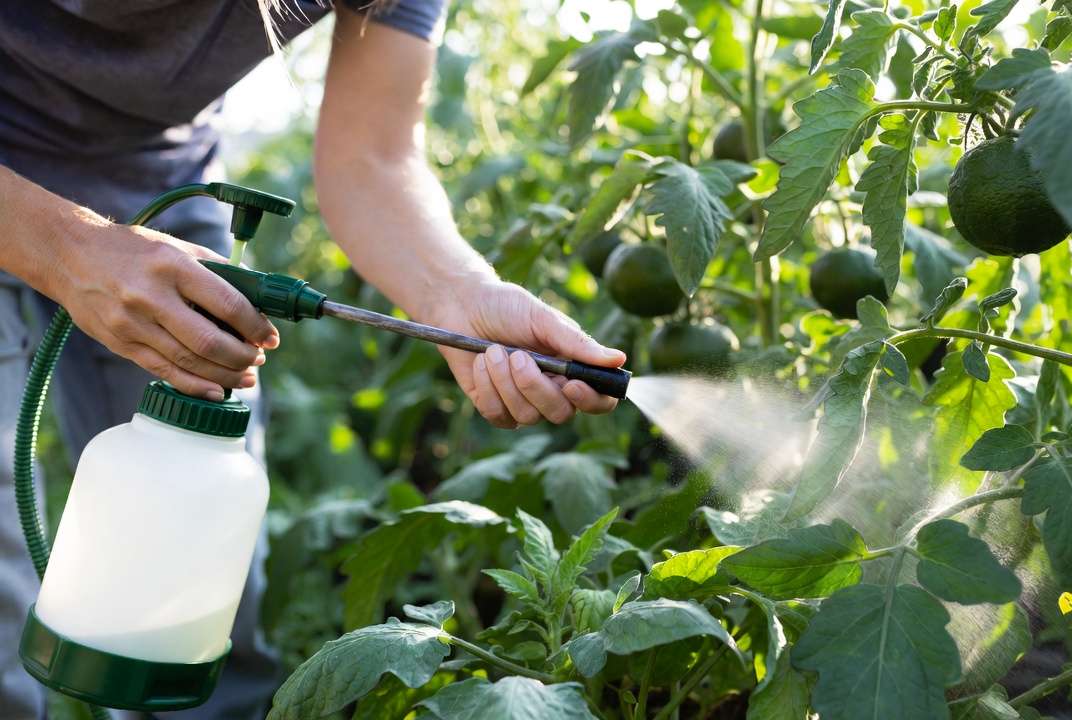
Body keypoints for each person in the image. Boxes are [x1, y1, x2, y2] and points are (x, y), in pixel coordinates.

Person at [0, 1, 625, 717]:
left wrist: (458, 292)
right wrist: (62, 245)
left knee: (194, 564)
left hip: (155, 169)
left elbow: (372, 156)